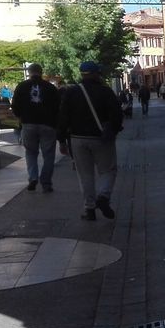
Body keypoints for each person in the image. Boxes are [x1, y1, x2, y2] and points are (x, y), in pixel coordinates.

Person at [58, 61, 123, 221]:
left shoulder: (71, 93)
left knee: (85, 175)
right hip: (101, 138)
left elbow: (63, 117)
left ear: (81, 74)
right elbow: (117, 115)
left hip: (77, 139)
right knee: (108, 170)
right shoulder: (105, 92)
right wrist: (113, 131)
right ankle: (103, 196)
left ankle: (89, 209)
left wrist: (61, 140)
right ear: (96, 74)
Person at [11, 63, 61, 192]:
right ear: (41, 71)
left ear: (29, 72)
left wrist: (20, 116)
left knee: (31, 152)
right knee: (49, 154)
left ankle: (33, 177)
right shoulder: (50, 87)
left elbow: (15, 106)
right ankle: (46, 182)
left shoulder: (21, 86)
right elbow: (58, 107)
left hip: (28, 123)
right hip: (48, 124)